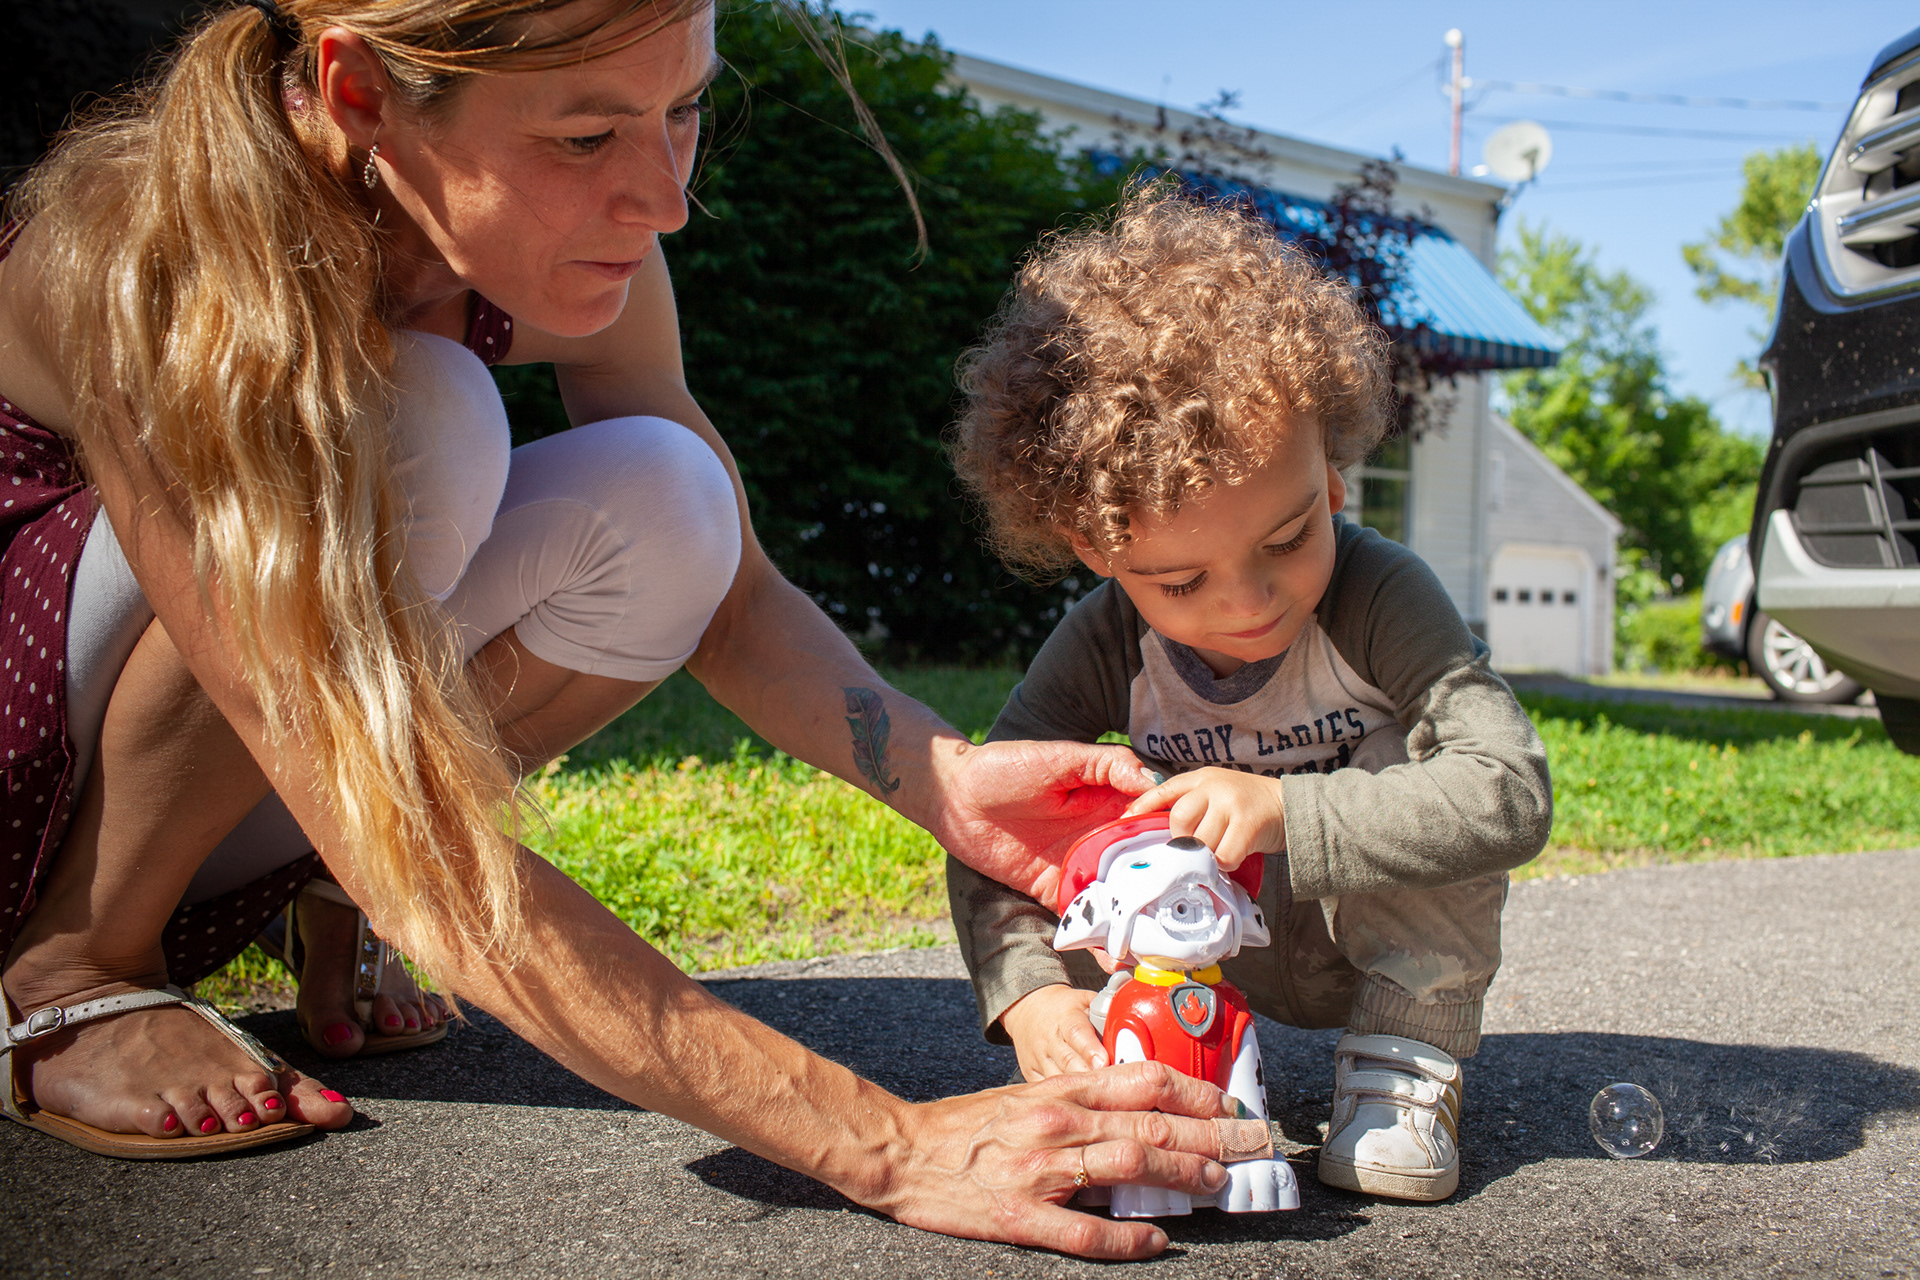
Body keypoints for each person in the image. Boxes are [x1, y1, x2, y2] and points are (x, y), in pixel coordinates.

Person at [0, 0, 1241, 1258]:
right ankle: (73, 969)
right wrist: (888, 1142)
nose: (663, 198)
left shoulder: (576, 250)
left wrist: (950, 779)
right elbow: (350, 761)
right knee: (421, 409)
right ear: (361, 92)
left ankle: (320, 885)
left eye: (683, 111)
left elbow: (736, 596)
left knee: (671, 496)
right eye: (588, 135)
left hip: (274, 756)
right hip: (29, 777)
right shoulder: (152, 250)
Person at [944, 188, 1555, 1203]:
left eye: (1288, 537)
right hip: (1185, 957)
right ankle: (1156, 1078)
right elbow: (990, 812)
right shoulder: (1105, 636)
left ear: (1335, 477)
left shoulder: (1381, 595)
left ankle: (1403, 1060)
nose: (1249, 602)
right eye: (1182, 581)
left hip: (1365, 939)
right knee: (1078, 798)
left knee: (1415, 766)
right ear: (1097, 549)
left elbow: (1507, 789)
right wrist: (1033, 998)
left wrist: (1284, 808)